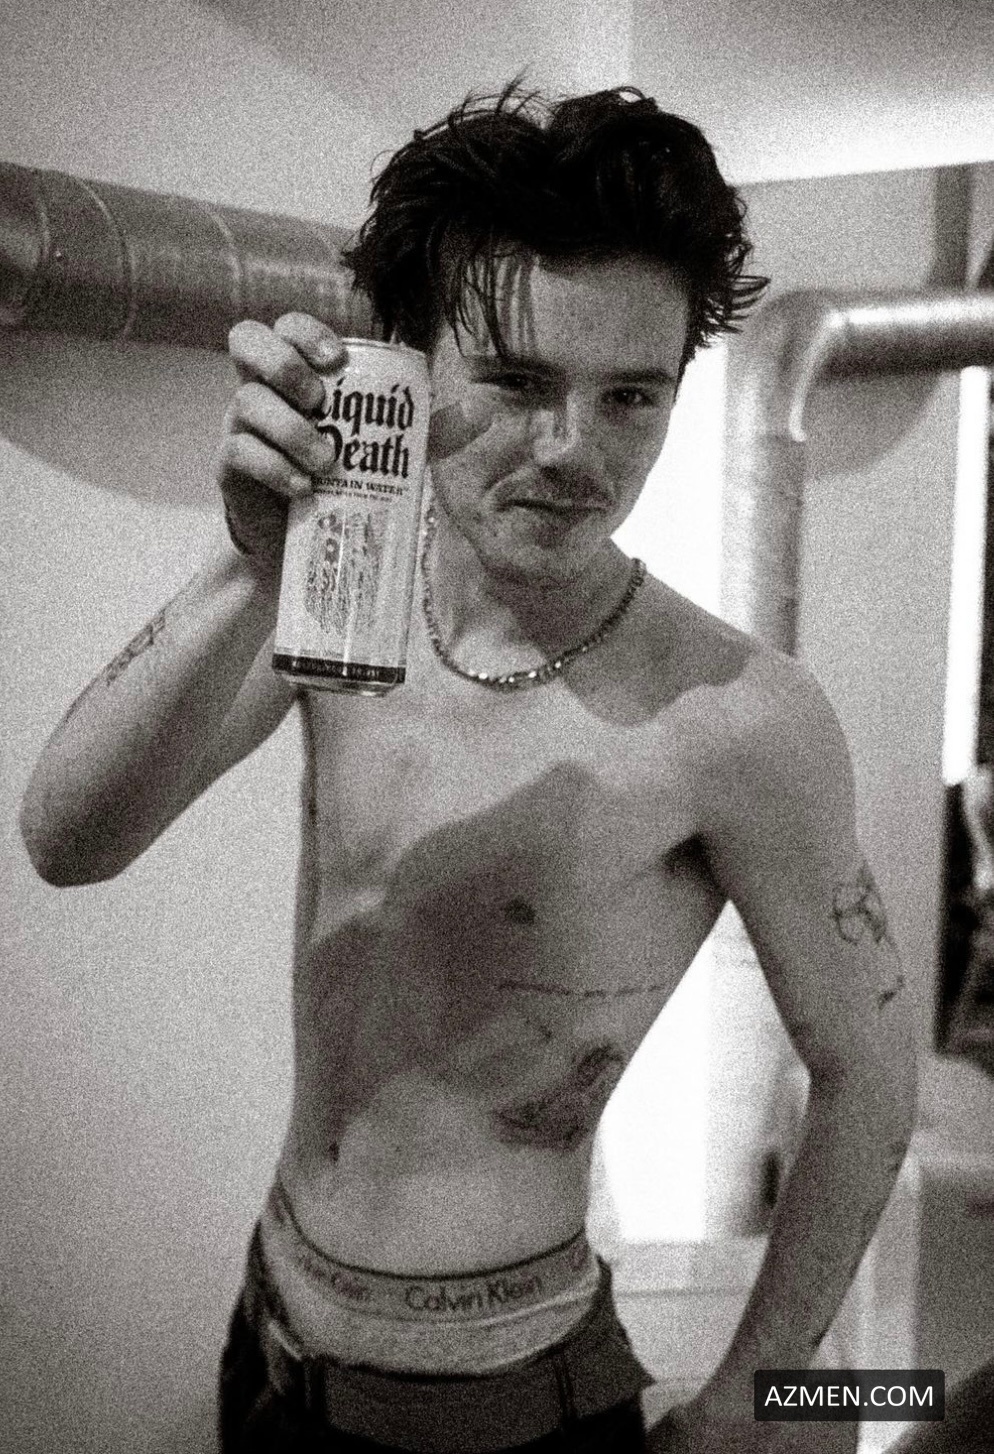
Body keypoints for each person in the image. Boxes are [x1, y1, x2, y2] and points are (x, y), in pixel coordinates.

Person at [20, 84, 917, 1453]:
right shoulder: (344, 600)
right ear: (415, 363)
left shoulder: (737, 717)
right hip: (269, 1334)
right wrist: (250, 564)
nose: (572, 451)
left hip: (503, 1405)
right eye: (516, 382)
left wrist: (755, 1401)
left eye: (630, 397)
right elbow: (65, 839)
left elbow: (870, 1070)